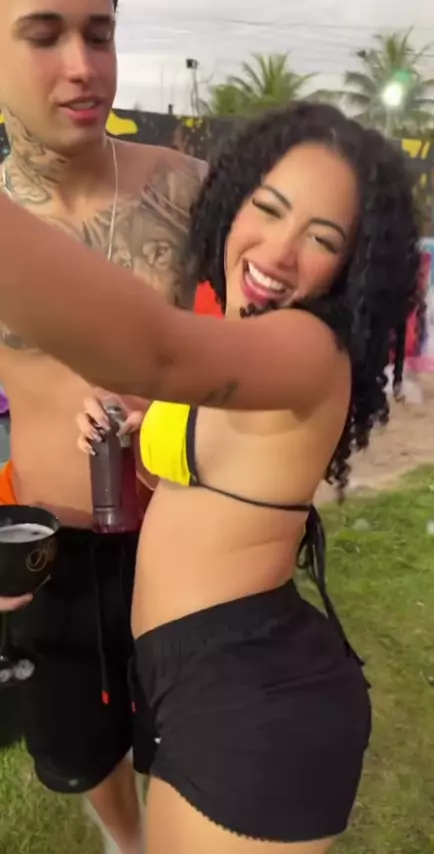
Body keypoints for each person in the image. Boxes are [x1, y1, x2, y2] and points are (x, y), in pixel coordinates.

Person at [0, 102, 421, 853]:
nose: (279, 253)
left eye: (322, 239)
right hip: (184, 674)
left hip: (252, 691)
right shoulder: (239, 337)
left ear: (351, 267)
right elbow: (195, 457)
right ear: (233, 200)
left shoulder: (307, 349)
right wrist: (134, 427)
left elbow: (153, 352)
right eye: (270, 208)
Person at [0, 0, 204, 851]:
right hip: (49, 556)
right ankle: (130, 844)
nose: (82, 66)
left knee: (197, 742)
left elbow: (260, 344)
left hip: (187, 536)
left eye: (100, 33)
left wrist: (181, 410)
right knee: (82, 752)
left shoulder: (189, 190)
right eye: (44, 35)